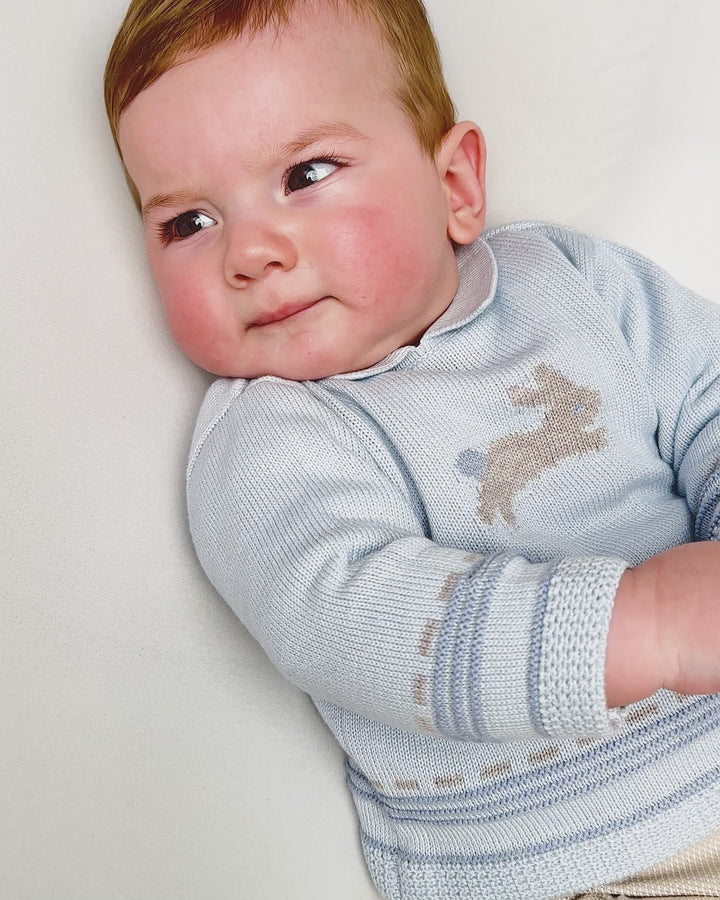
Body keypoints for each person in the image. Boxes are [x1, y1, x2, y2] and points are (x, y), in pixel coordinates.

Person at [104, 0, 720, 897]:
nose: (250, 251)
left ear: (456, 187)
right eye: (188, 222)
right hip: (567, 865)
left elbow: (707, 398)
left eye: (305, 172)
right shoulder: (266, 440)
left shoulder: (570, 281)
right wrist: (649, 624)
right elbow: (350, 616)